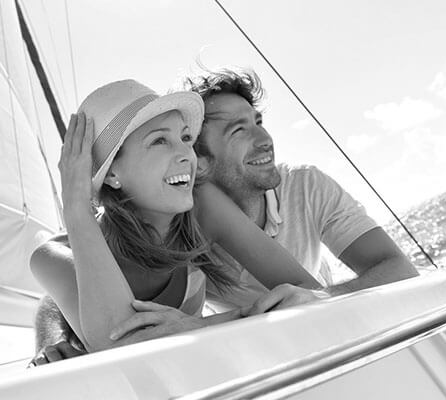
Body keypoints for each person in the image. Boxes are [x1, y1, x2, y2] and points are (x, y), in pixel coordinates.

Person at [30, 69, 418, 365]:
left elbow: (305, 293)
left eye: (184, 138)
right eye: (159, 141)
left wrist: (201, 326)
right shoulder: (50, 256)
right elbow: (119, 346)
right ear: (111, 174)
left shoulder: (202, 205)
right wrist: (76, 207)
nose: (184, 154)